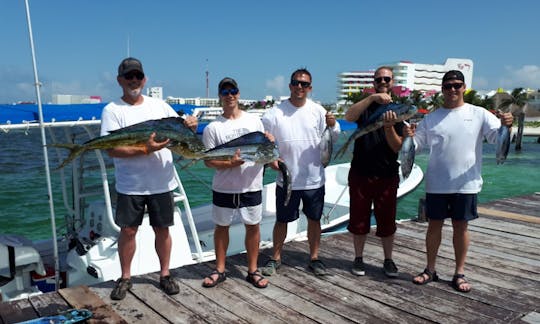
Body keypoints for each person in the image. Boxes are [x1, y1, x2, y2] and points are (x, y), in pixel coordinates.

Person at [101, 57, 198, 300]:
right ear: (120, 80)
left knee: (162, 230)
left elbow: (181, 133)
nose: (134, 80)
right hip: (130, 185)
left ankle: (165, 274)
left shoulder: (160, 106)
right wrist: (146, 149)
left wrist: (192, 127)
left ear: (144, 80)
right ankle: (125, 277)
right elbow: (111, 149)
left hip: (162, 182)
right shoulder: (112, 110)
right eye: (128, 76)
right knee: (128, 232)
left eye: (137, 76)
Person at [409, 70, 513, 293]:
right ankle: (430, 269)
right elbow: (416, 146)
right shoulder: (431, 118)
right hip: (436, 183)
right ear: (442, 89)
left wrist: (507, 125)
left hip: (466, 183)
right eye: (448, 86)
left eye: (457, 85)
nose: (453, 89)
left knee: (461, 227)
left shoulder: (479, 113)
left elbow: (497, 137)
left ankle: (459, 272)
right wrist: (408, 137)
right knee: (433, 227)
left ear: (464, 87)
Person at [261, 68, 340, 277]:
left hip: (314, 179)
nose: (299, 87)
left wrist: (333, 125)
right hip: (287, 179)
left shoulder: (319, 112)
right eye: (296, 83)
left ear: (310, 88)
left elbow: (334, 135)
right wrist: (271, 160)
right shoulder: (274, 113)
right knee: (282, 220)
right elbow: (264, 141)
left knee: (315, 220)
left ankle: (314, 257)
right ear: (289, 86)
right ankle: (275, 258)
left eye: (304, 84)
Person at [201, 77, 270, 289]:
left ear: (238, 94)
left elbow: (263, 151)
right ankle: (220, 269)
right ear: (220, 96)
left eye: (233, 90)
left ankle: (252, 270)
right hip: (224, 187)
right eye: (225, 91)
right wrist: (230, 163)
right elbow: (209, 161)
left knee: (253, 226)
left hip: (251, 186)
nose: (229, 95)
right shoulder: (213, 128)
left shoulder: (254, 122)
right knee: (221, 227)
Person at [343, 66, 404, 278]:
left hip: (387, 174)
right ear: (374, 83)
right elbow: (349, 117)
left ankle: (388, 259)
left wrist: (388, 126)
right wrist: (371, 99)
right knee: (359, 220)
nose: (383, 82)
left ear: (392, 81)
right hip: (360, 172)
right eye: (379, 79)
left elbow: (397, 147)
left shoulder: (398, 109)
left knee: (387, 221)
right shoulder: (365, 106)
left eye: (387, 79)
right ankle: (358, 258)